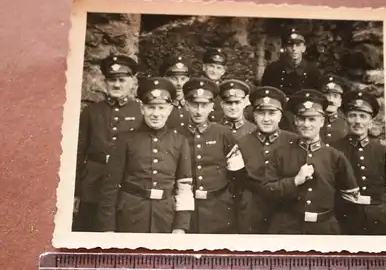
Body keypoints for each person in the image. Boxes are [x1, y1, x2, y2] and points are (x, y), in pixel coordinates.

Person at [97, 77, 194, 233]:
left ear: (170, 109)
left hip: (165, 216)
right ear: (142, 109)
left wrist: (180, 226)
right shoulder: (125, 140)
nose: (156, 114)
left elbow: (184, 187)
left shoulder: (179, 141)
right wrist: (108, 228)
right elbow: (110, 187)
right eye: (151, 107)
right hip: (130, 215)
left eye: (161, 108)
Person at [262, 89, 360, 235]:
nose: (306, 124)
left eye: (312, 119)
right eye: (302, 119)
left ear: (322, 122)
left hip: (324, 228)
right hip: (286, 228)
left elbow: (349, 198)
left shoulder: (335, 156)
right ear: (295, 121)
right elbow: (266, 190)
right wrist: (295, 181)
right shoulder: (280, 154)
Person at [73, 55, 143, 232]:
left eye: (122, 80)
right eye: (112, 80)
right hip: (93, 184)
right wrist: (76, 191)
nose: (117, 85)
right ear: (106, 82)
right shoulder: (91, 112)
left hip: (126, 184)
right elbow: (79, 153)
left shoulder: (141, 111)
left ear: (132, 82)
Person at [176, 77, 245, 234]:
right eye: (194, 105)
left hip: (219, 207)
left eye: (204, 105)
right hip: (188, 208)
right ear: (186, 105)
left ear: (212, 107)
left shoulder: (223, 133)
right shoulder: (177, 135)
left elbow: (237, 175)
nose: (199, 111)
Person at [237, 86, 299, 234]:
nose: (266, 119)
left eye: (272, 113)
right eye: (261, 113)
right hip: (251, 210)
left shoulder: (294, 141)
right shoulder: (242, 142)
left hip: (284, 210)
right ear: (254, 115)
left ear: (280, 115)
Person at [333, 90, 386, 235]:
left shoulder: (382, 151)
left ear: (370, 122)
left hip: (378, 217)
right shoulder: (334, 150)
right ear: (346, 120)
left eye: (363, 116)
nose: (358, 121)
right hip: (344, 217)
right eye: (353, 116)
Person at [260, 28, 322, 132]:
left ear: (304, 48)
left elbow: (316, 96)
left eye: (298, 45)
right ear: (285, 48)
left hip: (303, 112)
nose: (294, 49)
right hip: (279, 111)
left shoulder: (312, 70)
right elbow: (266, 92)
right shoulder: (273, 68)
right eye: (290, 45)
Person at [161, 55, 191, 128]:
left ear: (189, 80)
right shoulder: (160, 105)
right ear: (166, 79)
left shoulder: (193, 104)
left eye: (183, 79)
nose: (179, 84)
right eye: (174, 79)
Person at [199, 48, 228, 123]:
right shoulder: (196, 87)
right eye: (211, 66)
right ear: (204, 67)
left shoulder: (226, 90)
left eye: (218, 68)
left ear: (223, 71)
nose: (214, 71)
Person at [319, 76, 349, 145]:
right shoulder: (312, 119)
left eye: (335, 96)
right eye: (327, 96)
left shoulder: (347, 123)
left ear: (340, 101)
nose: (330, 100)